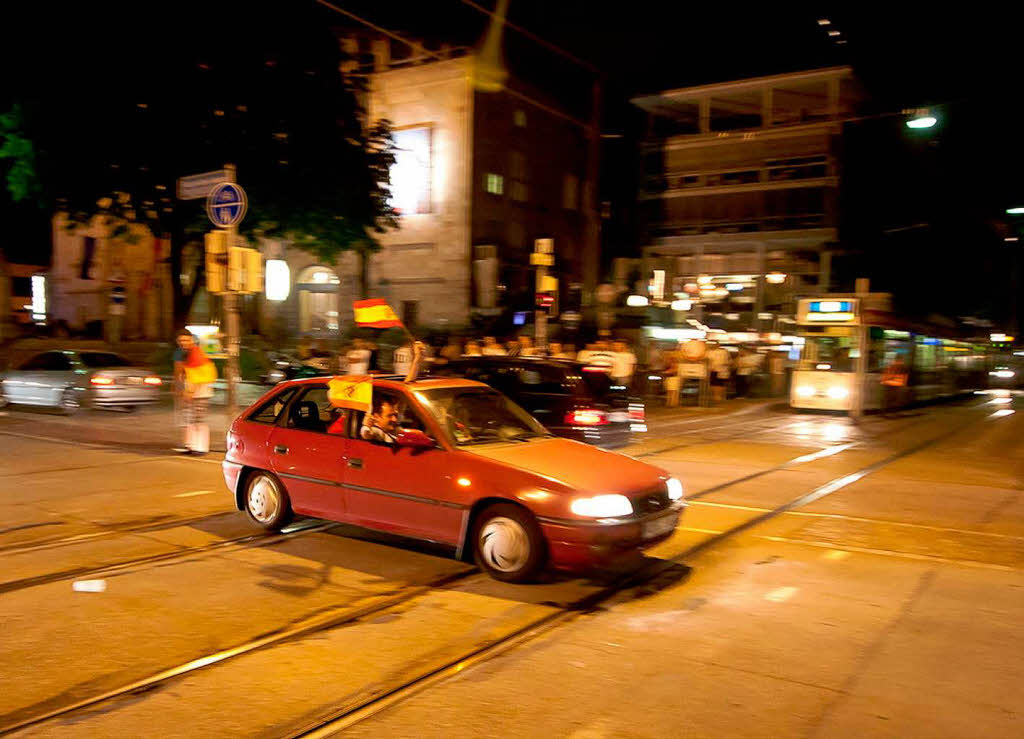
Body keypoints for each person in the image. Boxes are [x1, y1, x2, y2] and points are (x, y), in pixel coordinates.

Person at [174, 328, 216, 455]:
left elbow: (199, 376)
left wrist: (189, 392)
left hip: (200, 393)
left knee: (198, 419)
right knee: (190, 419)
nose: (183, 343)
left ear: (191, 339)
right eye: (181, 340)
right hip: (193, 391)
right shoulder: (185, 353)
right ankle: (190, 446)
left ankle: (200, 447)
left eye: (186, 340)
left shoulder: (196, 353)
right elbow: (183, 372)